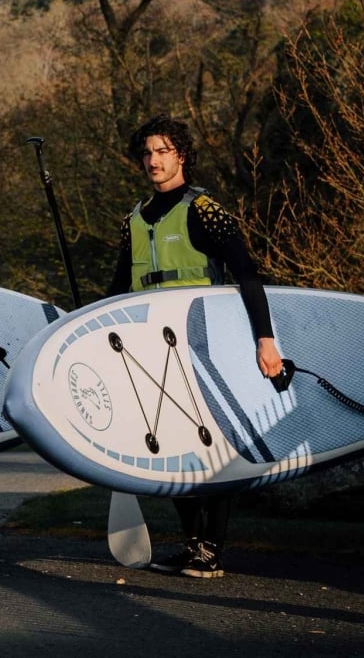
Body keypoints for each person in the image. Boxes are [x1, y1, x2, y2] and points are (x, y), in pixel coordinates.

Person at [106, 115, 282, 579]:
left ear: (180, 155)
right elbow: (115, 290)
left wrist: (265, 339)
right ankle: (192, 546)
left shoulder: (204, 209)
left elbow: (247, 273)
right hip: (151, 355)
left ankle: (211, 549)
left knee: (210, 448)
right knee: (170, 450)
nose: (153, 161)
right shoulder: (133, 220)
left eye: (162, 151)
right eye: (147, 153)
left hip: (203, 346)